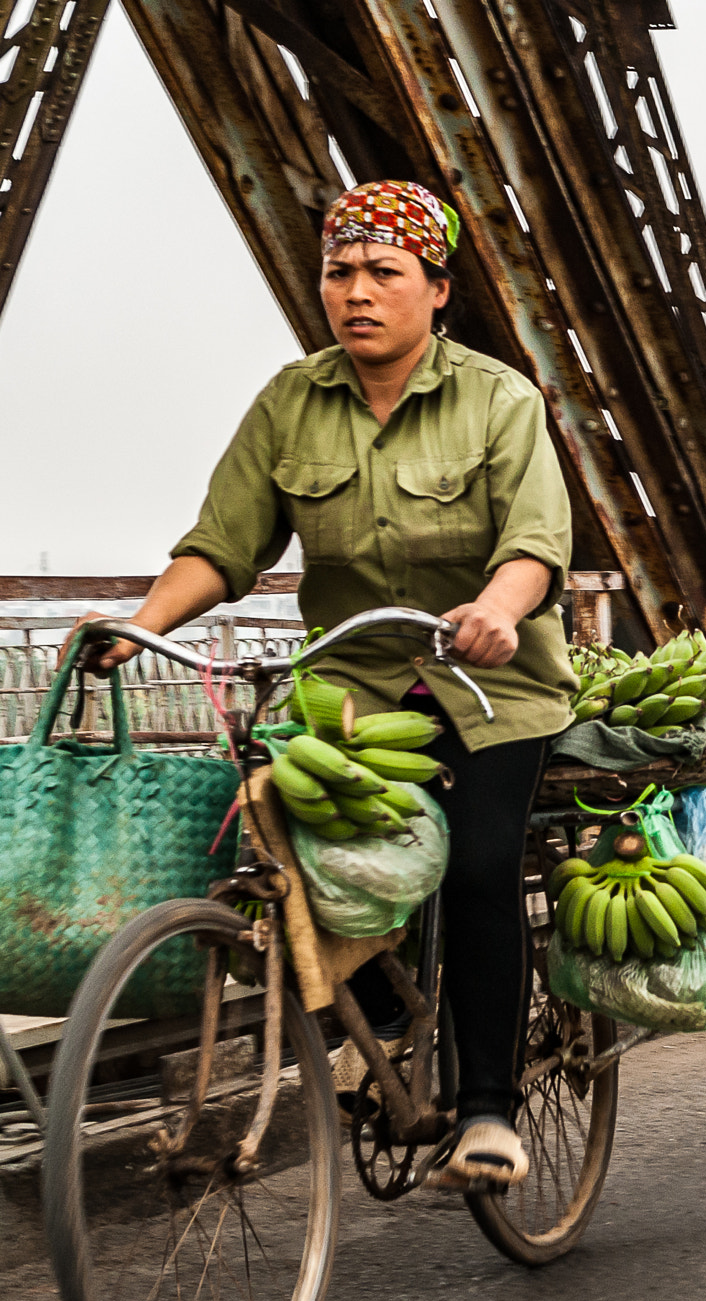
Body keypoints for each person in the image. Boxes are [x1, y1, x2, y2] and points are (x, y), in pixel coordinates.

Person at [71, 181, 575, 1187]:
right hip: (351, 686)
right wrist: (139, 623)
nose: (356, 291)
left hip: (491, 686)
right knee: (296, 852)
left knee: (475, 869)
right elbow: (222, 545)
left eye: (384, 271)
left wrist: (499, 609)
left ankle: (488, 1112)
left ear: (437, 290)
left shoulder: (498, 400)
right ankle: (380, 1021)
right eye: (338, 271)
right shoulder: (291, 401)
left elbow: (534, 543)